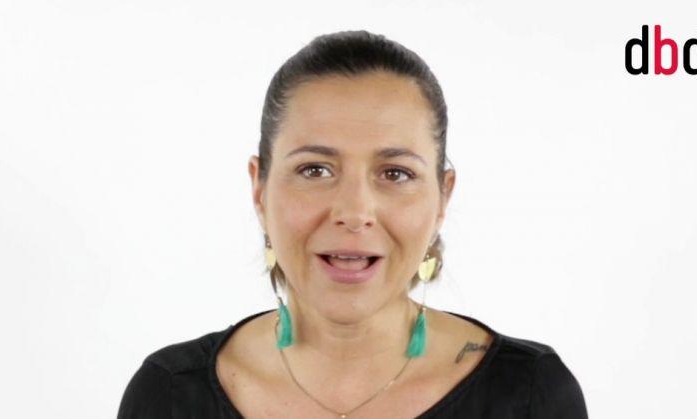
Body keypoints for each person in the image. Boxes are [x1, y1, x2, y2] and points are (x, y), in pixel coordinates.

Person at [118, 30, 588, 419]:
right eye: (315, 170)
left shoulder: (531, 395)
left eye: (395, 174)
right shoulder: (168, 395)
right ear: (259, 189)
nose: (354, 211)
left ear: (443, 196)